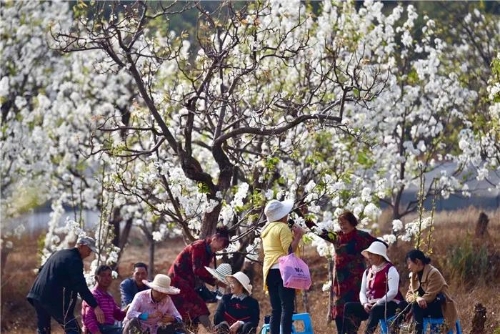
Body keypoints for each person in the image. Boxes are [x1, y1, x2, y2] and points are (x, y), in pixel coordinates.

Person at [303, 209, 377, 334]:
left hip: (356, 282)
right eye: (340, 223)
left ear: (352, 222)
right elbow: (317, 230)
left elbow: (380, 245)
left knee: (353, 311)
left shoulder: (362, 236)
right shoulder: (337, 237)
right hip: (340, 283)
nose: (342, 226)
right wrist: (304, 215)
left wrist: (374, 263)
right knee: (339, 312)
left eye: (345, 222)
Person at [27, 236, 105, 334]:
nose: (90, 252)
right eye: (89, 249)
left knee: (43, 329)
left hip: (37, 294)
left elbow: (41, 270)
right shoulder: (75, 260)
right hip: (52, 298)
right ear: (81, 246)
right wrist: (95, 306)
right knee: (73, 330)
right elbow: (81, 286)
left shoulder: (59, 253)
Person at [168, 226, 230, 332]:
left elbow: (202, 274)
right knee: (199, 306)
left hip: (188, 282)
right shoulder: (198, 246)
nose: (216, 251)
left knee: (191, 314)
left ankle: (192, 330)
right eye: (216, 248)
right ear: (215, 239)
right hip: (177, 281)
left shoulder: (209, 251)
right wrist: (216, 281)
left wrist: (217, 282)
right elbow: (198, 270)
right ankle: (212, 331)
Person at [261, 199, 305, 334]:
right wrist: (298, 236)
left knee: (276, 309)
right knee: (287, 307)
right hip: (283, 270)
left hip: (269, 270)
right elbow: (288, 251)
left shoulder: (266, 229)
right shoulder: (282, 228)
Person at [343, 241, 406, 334]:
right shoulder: (368, 271)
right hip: (371, 305)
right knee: (348, 307)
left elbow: (393, 291)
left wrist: (378, 302)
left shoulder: (390, 269)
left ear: (379, 256)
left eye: (371, 254)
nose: (369, 257)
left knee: (376, 309)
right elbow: (362, 292)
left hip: (389, 305)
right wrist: (365, 303)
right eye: (369, 254)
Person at [405, 249, 458, 334]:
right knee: (403, 305)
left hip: (440, 307)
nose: (408, 267)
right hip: (423, 307)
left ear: (417, 262)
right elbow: (408, 295)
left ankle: (418, 332)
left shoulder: (433, 273)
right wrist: (417, 298)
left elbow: (430, 296)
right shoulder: (414, 275)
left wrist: (417, 300)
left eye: (409, 263)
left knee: (415, 306)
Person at [82, 265, 127, 334]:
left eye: (109, 275)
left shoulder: (109, 297)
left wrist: (129, 308)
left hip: (110, 329)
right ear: (96, 278)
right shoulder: (93, 296)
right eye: (103, 275)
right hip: (100, 329)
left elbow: (118, 315)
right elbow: (89, 319)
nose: (107, 278)